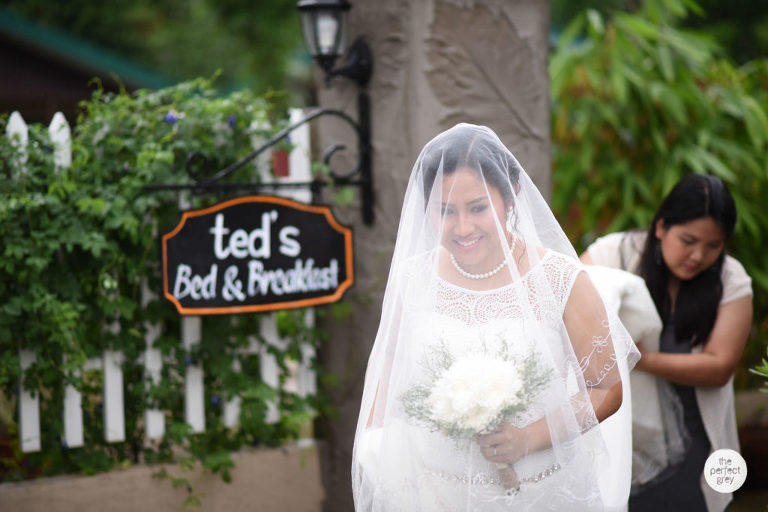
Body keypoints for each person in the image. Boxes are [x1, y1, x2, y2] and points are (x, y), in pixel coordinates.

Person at [352, 124, 639, 511]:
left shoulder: (559, 279)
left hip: (540, 489)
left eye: (478, 208)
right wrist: (375, 440)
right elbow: (390, 363)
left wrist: (529, 437)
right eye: (444, 211)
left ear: (511, 195)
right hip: (435, 492)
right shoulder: (412, 278)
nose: (462, 227)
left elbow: (606, 390)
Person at [581, 173, 753, 512]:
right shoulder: (613, 253)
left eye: (713, 246)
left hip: (695, 436)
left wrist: (638, 358)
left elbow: (719, 367)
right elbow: (567, 310)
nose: (698, 255)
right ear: (660, 227)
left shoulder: (731, 279)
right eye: (687, 240)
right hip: (621, 434)